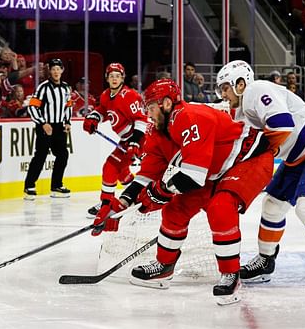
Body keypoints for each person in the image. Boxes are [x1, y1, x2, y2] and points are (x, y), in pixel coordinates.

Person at [93, 78, 274, 305]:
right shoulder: (158, 130)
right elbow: (147, 173)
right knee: (174, 210)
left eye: (150, 107)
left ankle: (231, 274)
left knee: (220, 207)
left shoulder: (187, 117)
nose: (147, 114)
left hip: (250, 160)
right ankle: (163, 268)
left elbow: (191, 177)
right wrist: (120, 205)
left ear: (166, 104)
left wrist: (156, 193)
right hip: (214, 171)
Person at [216, 60, 305, 300]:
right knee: (273, 204)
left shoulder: (255, 90)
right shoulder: (240, 112)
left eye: (225, 88)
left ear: (240, 84)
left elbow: (281, 125)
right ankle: (265, 260)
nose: (223, 95)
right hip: (298, 155)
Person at [82, 63, 148, 217]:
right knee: (114, 168)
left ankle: (150, 199)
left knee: (150, 171)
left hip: (144, 139)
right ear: (107, 78)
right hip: (126, 140)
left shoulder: (130, 95)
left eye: (117, 76)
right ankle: (108, 202)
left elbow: (141, 120)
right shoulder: (106, 95)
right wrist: (93, 118)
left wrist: (135, 142)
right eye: (111, 76)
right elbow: (103, 111)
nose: (114, 78)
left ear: (122, 78)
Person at [23, 58, 72, 200]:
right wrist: (43, 123)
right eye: (53, 69)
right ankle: (29, 186)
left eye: (58, 68)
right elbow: (32, 107)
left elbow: (68, 106)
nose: (56, 71)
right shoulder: (43, 87)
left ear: (62, 70)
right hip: (45, 126)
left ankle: (56, 185)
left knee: (63, 154)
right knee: (41, 156)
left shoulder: (65, 88)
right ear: (49, 71)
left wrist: (67, 122)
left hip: (59, 127)